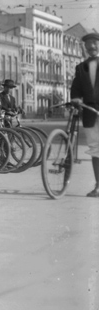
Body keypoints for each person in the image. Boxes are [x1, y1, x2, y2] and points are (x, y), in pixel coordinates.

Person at [69, 32, 99, 198]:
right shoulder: (81, 67)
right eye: (88, 45)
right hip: (90, 113)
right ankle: (98, 186)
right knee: (95, 149)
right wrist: (75, 98)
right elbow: (76, 87)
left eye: (95, 43)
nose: (92, 47)